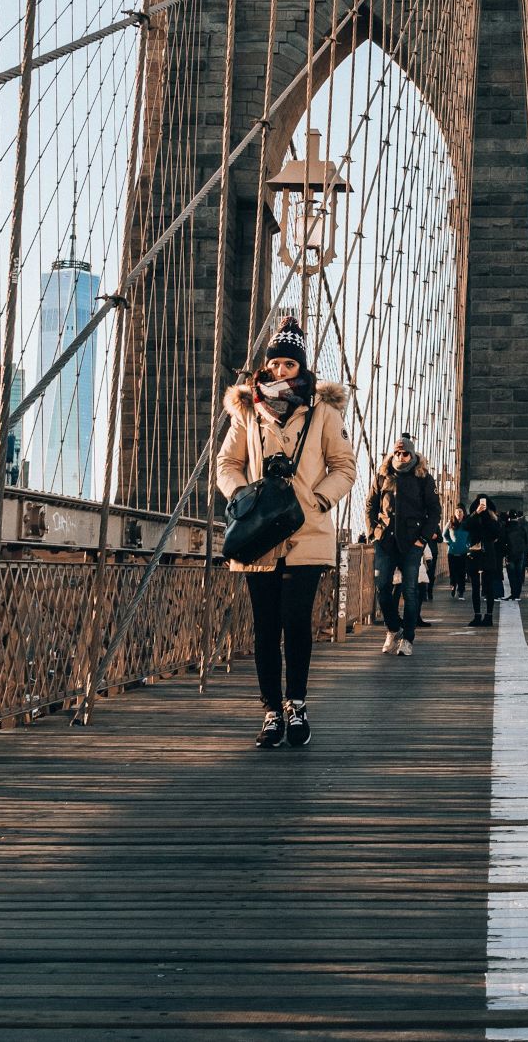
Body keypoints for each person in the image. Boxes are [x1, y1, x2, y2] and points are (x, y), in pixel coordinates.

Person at [216, 318, 356, 750]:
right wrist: (242, 497)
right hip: (259, 535)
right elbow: (226, 464)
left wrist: (318, 501)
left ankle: (297, 705)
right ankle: (271, 712)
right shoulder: (247, 411)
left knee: (295, 623)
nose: (280, 371)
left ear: (301, 368)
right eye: (274, 363)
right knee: (264, 626)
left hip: (307, 532)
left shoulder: (323, 412)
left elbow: (344, 467)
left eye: (289, 365)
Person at [365, 433, 441, 658]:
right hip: (385, 540)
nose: (400, 456)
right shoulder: (383, 475)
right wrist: (373, 533)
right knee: (382, 587)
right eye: (397, 452)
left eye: (404, 453)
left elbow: (434, 511)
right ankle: (392, 629)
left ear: (412, 453)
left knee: (409, 590)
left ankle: (407, 638)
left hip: (411, 543)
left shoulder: (423, 477)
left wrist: (423, 539)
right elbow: (370, 505)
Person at [463, 496, 505, 627]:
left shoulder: (493, 519)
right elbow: (465, 527)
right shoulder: (473, 516)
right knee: (475, 587)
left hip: (487, 554)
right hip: (475, 554)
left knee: (489, 587)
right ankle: (477, 616)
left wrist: (486, 516)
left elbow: (497, 533)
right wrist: (476, 513)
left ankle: (489, 616)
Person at [503, 508, 528, 601]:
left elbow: (503, 540)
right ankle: (517, 595)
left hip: (510, 554)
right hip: (521, 554)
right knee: (519, 574)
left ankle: (513, 594)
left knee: (512, 575)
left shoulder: (506, 527)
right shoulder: (522, 526)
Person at [443, 507, 470, 598]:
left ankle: (461, 590)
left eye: (461, 512)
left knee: (462, 572)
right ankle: (453, 586)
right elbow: (444, 534)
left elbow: (471, 535)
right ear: (454, 513)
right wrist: (450, 542)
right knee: (453, 572)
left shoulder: (466, 524)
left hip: (463, 552)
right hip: (452, 552)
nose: (459, 513)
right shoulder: (451, 523)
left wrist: (468, 544)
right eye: (457, 512)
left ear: (463, 513)